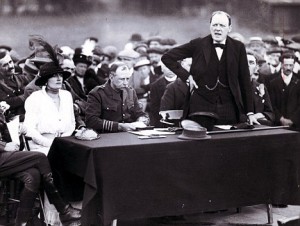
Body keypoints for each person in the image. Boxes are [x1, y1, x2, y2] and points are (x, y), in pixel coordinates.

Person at [161, 11, 256, 125]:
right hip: (201, 106)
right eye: (215, 25)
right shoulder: (198, 44)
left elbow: (244, 80)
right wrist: (187, 77)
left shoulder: (238, 47)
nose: (218, 29)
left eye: (222, 25)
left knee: (229, 140)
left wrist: (249, 112)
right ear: (210, 26)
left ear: (229, 28)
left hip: (229, 107)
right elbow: (167, 57)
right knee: (202, 141)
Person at [0, 103, 81, 226]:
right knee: (40, 157)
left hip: (5, 158)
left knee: (33, 175)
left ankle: (21, 223)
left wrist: (16, 129)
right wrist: (4, 146)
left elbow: (5, 134)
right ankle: (63, 209)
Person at [85, 62, 149, 133]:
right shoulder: (97, 93)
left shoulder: (130, 91)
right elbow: (91, 121)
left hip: (129, 135)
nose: (125, 83)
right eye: (121, 79)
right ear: (111, 77)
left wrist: (141, 120)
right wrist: (119, 126)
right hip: (108, 137)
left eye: (127, 79)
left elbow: (140, 113)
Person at [269, 52, 300, 130]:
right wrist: (281, 119)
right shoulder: (273, 82)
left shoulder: (298, 81)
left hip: (296, 125)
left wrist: (293, 120)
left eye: (291, 65)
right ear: (281, 64)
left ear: (294, 65)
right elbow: (271, 104)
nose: (288, 68)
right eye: (286, 65)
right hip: (277, 125)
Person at [0, 51, 30, 122]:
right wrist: (27, 95)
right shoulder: (1, 85)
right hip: (12, 123)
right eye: (5, 65)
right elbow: (8, 102)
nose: (10, 66)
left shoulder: (22, 78)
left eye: (10, 62)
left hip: (30, 116)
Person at [246, 50, 274, 126]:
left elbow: (270, 112)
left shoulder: (260, 87)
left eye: (251, 63)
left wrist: (258, 115)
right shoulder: (232, 87)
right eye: (244, 62)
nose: (247, 65)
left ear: (256, 67)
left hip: (259, 127)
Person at [150, 62, 177, 127]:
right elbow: (154, 107)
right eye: (167, 67)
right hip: (163, 122)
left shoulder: (185, 82)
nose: (170, 69)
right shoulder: (155, 85)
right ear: (162, 69)